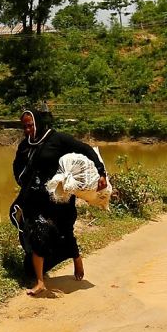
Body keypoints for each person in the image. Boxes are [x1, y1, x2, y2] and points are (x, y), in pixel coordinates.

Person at [11, 110, 107, 296]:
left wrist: (101, 172)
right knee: (35, 233)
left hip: (59, 197)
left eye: (30, 125)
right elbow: (17, 167)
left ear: (38, 123)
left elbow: (86, 149)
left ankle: (76, 258)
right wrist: (25, 184)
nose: (27, 129)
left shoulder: (57, 139)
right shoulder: (25, 146)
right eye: (24, 126)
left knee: (64, 231)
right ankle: (40, 281)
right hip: (34, 198)